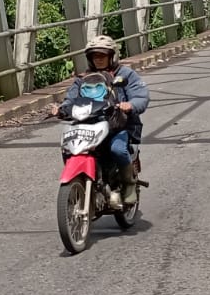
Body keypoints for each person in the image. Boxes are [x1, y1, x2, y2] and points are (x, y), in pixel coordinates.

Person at [50, 34, 150, 207]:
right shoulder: (83, 78)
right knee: (69, 148)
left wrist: (130, 105)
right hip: (89, 126)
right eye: (95, 56)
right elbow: (71, 99)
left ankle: (129, 185)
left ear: (112, 56)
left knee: (118, 150)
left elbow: (141, 96)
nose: (99, 59)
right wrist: (61, 108)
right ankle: (81, 180)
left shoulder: (126, 74)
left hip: (118, 126)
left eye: (103, 55)